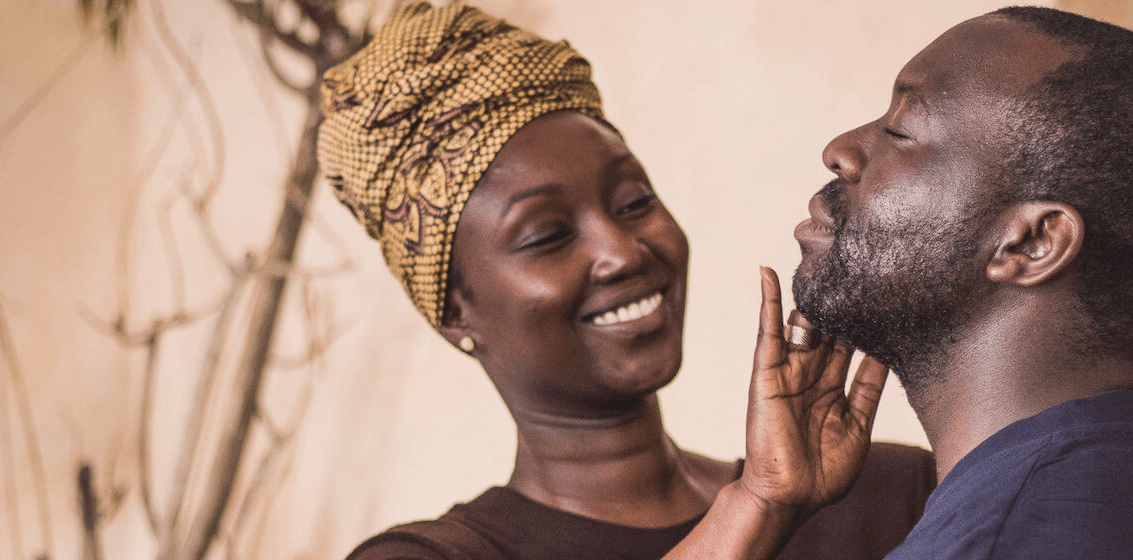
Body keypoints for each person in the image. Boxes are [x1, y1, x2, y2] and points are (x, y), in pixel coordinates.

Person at [318, 3, 935, 559]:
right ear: (455, 312)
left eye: (634, 201)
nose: (622, 251)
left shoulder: (890, 498)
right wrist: (758, 507)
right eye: (547, 235)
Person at [792, 6, 1133, 559]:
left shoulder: (1003, 538)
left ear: (1031, 243)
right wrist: (759, 502)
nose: (840, 151)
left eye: (900, 131)